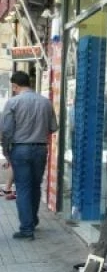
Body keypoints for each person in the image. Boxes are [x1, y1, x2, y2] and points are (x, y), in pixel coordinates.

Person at [1, 71, 58, 240]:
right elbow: (53, 127)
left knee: (23, 188)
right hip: (40, 149)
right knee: (35, 186)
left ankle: (26, 229)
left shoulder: (13, 103)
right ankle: (32, 221)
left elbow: (6, 131)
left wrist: (6, 151)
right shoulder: (46, 102)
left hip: (20, 149)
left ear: (15, 85)